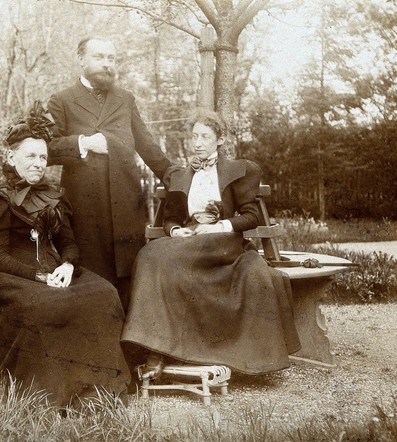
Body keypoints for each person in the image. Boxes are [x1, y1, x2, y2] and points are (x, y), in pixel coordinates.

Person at [121, 109, 301, 379]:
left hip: (223, 242)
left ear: (219, 140)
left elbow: (251, 217)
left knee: (157, 258)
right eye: (195, 136)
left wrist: (219, 226)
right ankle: (155, 348)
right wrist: (176, 230)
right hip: (190, 243)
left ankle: (160, 353)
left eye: (205, 136)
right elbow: (170, 218)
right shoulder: (181, 175)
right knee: (149, 255)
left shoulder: (237, 170)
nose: (198, 142)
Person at [0, 102, 130, 408]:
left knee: (105, 293)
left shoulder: (52, 196)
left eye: (43, 157)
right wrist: (39, 276)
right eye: (30, 156)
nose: (37, 163)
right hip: (10, 277)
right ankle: (50, 391)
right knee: (47, 305)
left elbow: (68, 243)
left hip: (53, 271)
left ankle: (93, 388)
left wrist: (68, 265)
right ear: (11, 157)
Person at [47, 36, 173, 307]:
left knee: (129, 282)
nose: (107, 64)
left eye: (111, 58)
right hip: (85, 209)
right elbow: (46, 148)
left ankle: (132, 347)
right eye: (99, 57)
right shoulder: (61, 101)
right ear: (81, 59)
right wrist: (84, 143)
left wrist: (178, 175)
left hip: (127, 205)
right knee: (91, 282)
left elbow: (147, 145)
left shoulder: (125, 99)